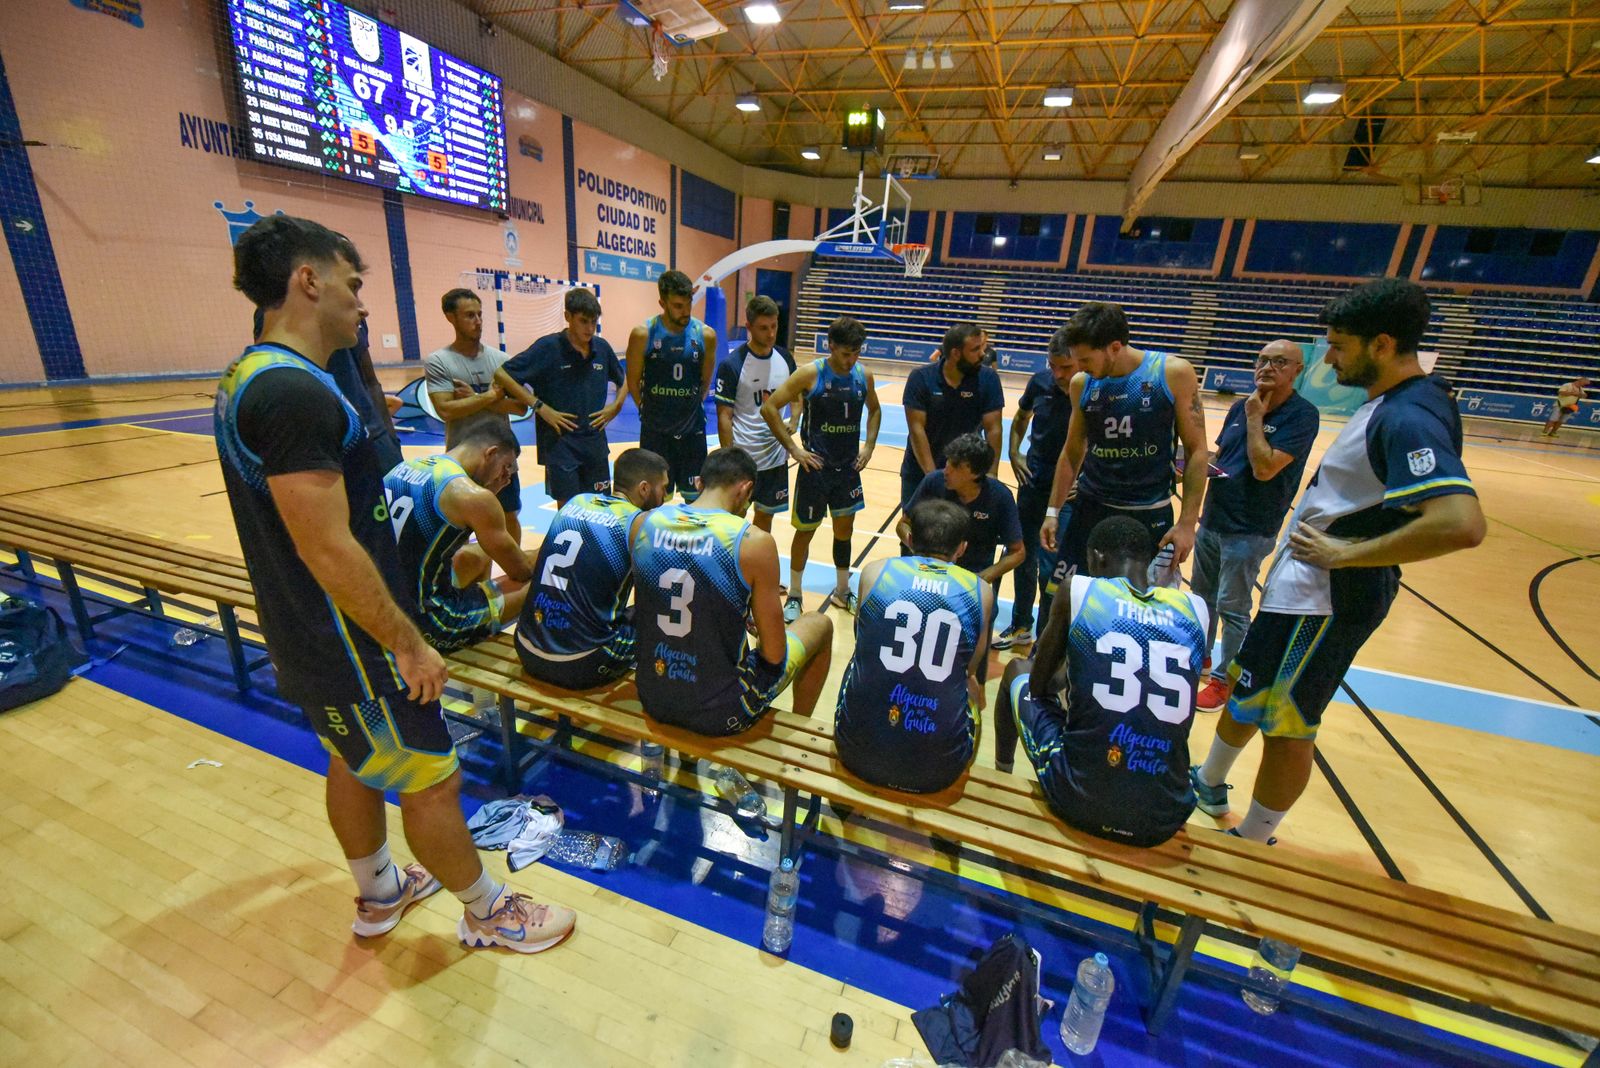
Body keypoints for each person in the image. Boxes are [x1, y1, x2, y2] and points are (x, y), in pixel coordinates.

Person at [216, 215, 573, 953]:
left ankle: (380, 893)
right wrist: (407, 644)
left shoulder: (248, 377)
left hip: (309, 632)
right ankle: (487, 910)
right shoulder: (292, 394)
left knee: (354, 760)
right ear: (307, 281)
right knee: (433, 779)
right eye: (353, 284)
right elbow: (328, 546)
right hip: (351, 644)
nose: (363, 304)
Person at [1193, 278, 1485, 844]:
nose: (1328, 358)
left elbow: (1461, 522)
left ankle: (1253, 839)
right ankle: (1208, 780)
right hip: (1297, 592)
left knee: (1289, 723)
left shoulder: (1410, 416)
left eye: (1338, 345)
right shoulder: (1394, 405)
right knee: (1248, 687)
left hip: (1329, 602)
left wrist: (1348, 553)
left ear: (1380, 344)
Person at [996, 516, 1209, 847]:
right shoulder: (1195, 609)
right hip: (1164, 815)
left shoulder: (1081, 589)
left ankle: (1000, 776)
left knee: (1016, 671)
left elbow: (1040, 687)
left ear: (1096, 557)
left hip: (1078, 800)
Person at [631, 446, 834, 736]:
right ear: (745, 490)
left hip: (652, 694)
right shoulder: (753, 542)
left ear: (700, 483)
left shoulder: (644, 523)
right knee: (819, 624)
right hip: (719, 712)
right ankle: (801, 740)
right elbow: (774, 655)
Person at [1190, 340, 1320, 713]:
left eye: (1279, 362)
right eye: (1262, 360)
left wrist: (1253, 418)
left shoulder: (1301, 415)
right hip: (1213, 519)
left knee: (1232, 607)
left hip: (1249, 529)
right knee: (1202, 601)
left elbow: (1264, 467)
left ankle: (1224, 683)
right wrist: (1194, 465)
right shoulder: (1239, 405)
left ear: (1298, 370)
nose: (1267, 367)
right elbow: (1224, 455)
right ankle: (1199, 662)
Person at [1039, 302, 1208, 586]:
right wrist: (1052, 511)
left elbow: (1196, 452)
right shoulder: (1082, 383)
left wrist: (1188, 523)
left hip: (1149, 512)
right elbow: (1072, 451)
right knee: (1062, 601)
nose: (1078, 369)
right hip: (1090, 509)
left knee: (1140, 608)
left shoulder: (1172, 373)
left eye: (1086, 360)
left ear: (1114, 347)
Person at [835, 499, 992, 794]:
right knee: (973, 688)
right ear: (961, 548)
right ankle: (952, 817)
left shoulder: (876, 571)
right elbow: (970, 666)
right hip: (937, 771)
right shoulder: (980, 589)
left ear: (908, 539)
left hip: (857, 753)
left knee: (861, 659)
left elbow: (862, 637)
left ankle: (841, 803)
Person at [760, 316, 882, 621]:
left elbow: (875, 410)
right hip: (815, 469)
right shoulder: (809, 374)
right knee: (805, 532)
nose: (851, 360)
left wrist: (869, 446)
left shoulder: (863, 375)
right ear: (830, 346)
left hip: (848, 470)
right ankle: (796, 596)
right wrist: (794, 449)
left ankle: (842, 591)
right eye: (845, 353)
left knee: (845, 530)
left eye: (856, 353)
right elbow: (769, 407)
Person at [516, 448, 669, 689]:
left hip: (526, 648)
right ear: (644, 489)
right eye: (663, 488)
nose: (666, 496)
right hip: (583, 663)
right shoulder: (639, 525)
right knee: (665, 612)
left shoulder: (576, 502)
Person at [383, 415, 534, 652]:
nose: (506, 476)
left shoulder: (404, 468)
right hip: (428, 624)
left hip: (383, 610)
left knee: (474, 555)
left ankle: (477, 624)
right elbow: (521, 569)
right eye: (507, 467)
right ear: (490, 453)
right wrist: (543, 553)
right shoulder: (472, 496)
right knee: (538, 583)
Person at [495, 288, 626, 509]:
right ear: (568, 317)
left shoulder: (601, 348)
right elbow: (502, 374)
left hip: (595, 444)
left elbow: (625, 379)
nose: (590, 328)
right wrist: (540, 407)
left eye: (593, 322)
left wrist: (616, 406)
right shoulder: (548, 348)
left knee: (601, 508)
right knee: (568, 511)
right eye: (583, 321)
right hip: (560, 446)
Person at [424, 288, 528, 545]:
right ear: (451, 317)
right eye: (470, 315)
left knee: (508, 517)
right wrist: (491, 398)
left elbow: (520, 407)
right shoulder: (439, 361)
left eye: (480, 314)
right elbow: (445, 410)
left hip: (502, 458)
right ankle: (472, 582)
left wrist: (473, 399)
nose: (478, 321)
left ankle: (513, 577)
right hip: (461, 461)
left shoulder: (501, 360)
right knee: (461, 525)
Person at [996, 327, 1078, 650]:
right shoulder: (1039, 383)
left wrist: (1082, 480)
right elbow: (1019, 419)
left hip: (1067, 497)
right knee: (1021, 556)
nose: (1057, 374)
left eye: (1065, 367)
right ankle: (1021, 625)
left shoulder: (1091, 389)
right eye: (1053, 365)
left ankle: (1048, 636)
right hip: (1032, 484)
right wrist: (1014, 452)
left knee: (1053, 570)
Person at [252, 311, 401, 473]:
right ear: (308, 284)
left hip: (373, 438)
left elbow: (371, 382)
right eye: (352, 286)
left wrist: (389, 438)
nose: (363, 308)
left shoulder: (353, 311)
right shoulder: (274, 313)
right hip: (321, 448)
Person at [626, 270, 718, 503]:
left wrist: (690, 405)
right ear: (662, 303)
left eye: (688, 304)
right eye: (678, 305)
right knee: (653, 503)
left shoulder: (706, 335)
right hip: (656, 434)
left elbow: (704, 382)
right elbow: (633, 382)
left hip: (692, 433)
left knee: (697, 501)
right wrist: (647, 411)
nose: (685, 311)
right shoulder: (643, 334)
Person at [714, 294, 797, 533]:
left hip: (774, 458)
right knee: (734, 519)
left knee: (764, 521)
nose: (771, 334)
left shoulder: (786, 358)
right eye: (763, 328)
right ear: (748, 327)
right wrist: (730, 457)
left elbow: (797, 397)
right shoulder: (732, 365)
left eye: (774, 326)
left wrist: (796, 418)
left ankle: (753, 563)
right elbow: (724, 417)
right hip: (744, 458)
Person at [900, 323, 1003, 511]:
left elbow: (993, 429)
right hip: (919, 472)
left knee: (963, 535)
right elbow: (917, 431)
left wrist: (992, 473)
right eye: (975, 349)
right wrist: (932, 478)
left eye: (982, 347)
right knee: (916, 534)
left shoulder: (989, 379)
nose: (983, 354)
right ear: (956, 353)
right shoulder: (921, 378)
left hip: (967, 474)